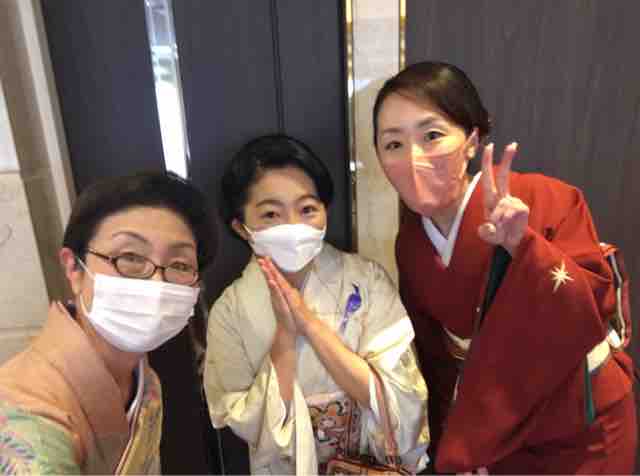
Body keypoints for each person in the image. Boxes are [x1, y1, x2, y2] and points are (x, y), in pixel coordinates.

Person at [372, 60, 637, 473]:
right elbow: (434, 359)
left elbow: (591, 308)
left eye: (432, 136)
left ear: (472, 140)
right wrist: (445, 440)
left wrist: (523, 245)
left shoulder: (546, 197)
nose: (413, 158)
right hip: (496, 429)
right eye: (393, 144)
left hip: (579, 422)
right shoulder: (410, 243)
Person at [203, 134, 429, 475]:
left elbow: (402, 395)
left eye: (307, 209)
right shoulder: (229, 312)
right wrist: (284, 335)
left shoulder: (367, 280)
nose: (293, 226)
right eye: (271, 214)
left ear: (325, 211)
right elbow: (241, 418)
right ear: (241, 226)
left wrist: (308, 323)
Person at [0, 171, 217, 474]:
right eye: (130, 257)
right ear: (74, 268)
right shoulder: (25, 414)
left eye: (180, 264)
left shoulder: (146, 383)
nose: (156, 283)